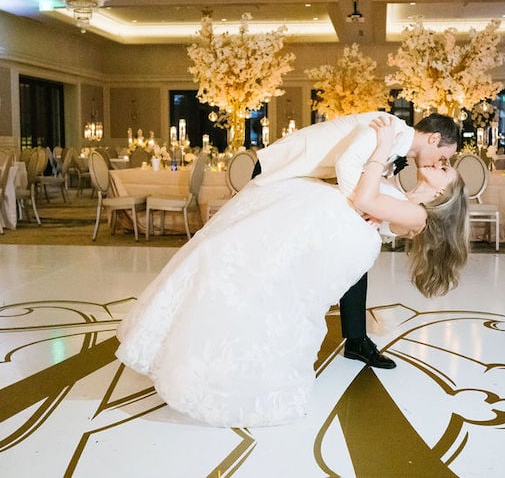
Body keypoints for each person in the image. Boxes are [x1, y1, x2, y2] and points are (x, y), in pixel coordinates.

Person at [115, 121, 469, 428]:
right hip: (320, 221)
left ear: (441, 192)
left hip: (328, 233)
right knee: (238, 267)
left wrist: (379, 154)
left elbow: (364, 199)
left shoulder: (419, 215)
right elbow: (373, 203)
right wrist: (380, 195)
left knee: (265, 288)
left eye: (444, 170)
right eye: (444, 161)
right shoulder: (409, 197)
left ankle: (230, 368)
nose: (441, 163)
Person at [253, 111, 460, 369]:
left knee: (352, 259)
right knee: (271, 256)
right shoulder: (388, 129)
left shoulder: (396, 149)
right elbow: (347, 166)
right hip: (284, 168)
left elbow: (380, 193)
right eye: (443, 158)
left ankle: (354, 339)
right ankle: (263, 329)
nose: (438, 163)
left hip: (311, 186)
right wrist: (367, 208)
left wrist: (376, 209)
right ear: (434, 138)